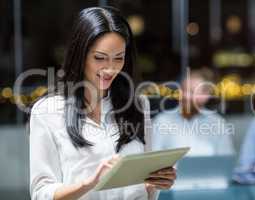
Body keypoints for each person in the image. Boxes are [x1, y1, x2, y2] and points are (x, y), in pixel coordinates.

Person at [29, 7, 176, 200]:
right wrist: (89, 184)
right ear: (80, 55)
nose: (110, 69)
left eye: (119, 58)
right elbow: (41, 193)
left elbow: (145, 192)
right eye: (99, 58)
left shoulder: (138, 105)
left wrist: (155, 183)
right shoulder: (48, 112)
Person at [152, 68, 235, 156]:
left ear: (206, 95)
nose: (185, 95)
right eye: (183, 90)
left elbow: (225, 161)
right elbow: (153, 162)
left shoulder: (217, 123)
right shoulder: (162, 121)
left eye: (191, 92)